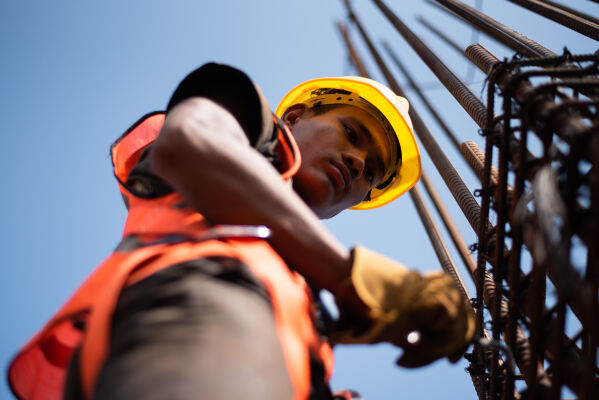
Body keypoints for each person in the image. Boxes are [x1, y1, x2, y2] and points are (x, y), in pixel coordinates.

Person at [8, 63, 474, 400]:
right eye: (351, 134)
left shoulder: (303, 284)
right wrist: (353, 278)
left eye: (371, 171)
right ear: (294, 119)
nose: (357, 163)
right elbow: (188, 146)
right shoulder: (243, 125)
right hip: (192, 310)